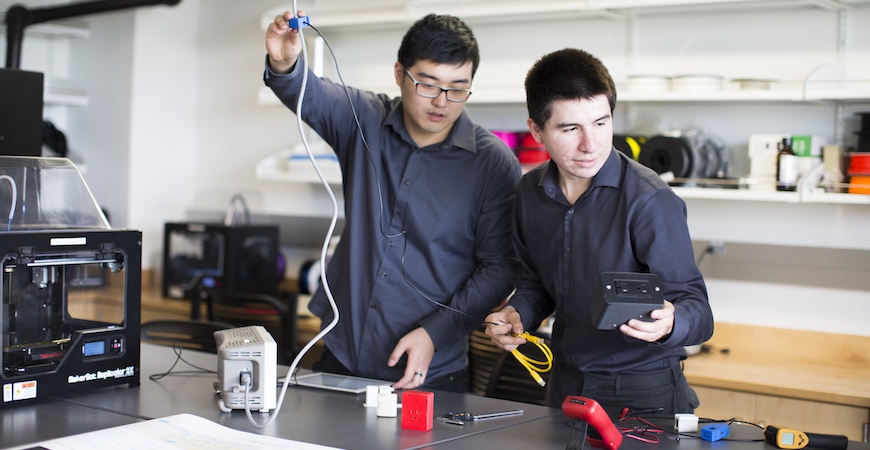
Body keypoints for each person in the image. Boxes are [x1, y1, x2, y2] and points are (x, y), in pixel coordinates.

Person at [264, 12, 521, 392]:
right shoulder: (362, 118)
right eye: (428, 85)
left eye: (457, 88)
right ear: (400, 73)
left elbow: (500, 268)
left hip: (431, 372)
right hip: (341, 354)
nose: (442, 103)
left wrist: (434, 333)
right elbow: (309, 92)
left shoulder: (493, 164)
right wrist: (285, 62)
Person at [485, 48, 713, 414]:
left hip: (643, 392)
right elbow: (537, 285)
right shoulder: (529, 194)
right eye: (570, 128)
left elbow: (699, 310)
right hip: (566, 386)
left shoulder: (649, 199)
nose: (591, 145)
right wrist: (517, 314)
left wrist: (672, 322)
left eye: (601, 123)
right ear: (536, 130)